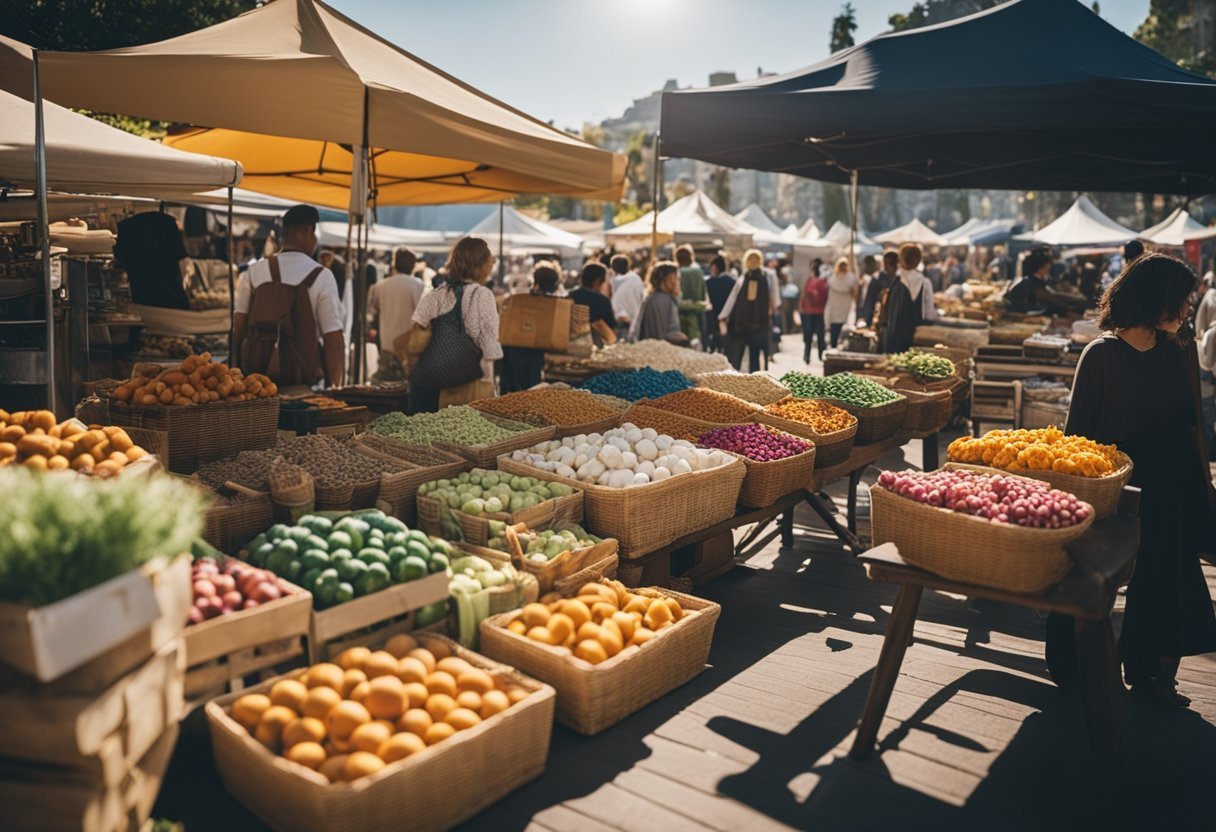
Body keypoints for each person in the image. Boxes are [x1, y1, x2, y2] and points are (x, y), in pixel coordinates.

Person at [1050, 252, 1216, 709]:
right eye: (1181, 301)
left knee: (1171, 579)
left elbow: (1192, 426)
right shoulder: (1100, 355)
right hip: (1115, 487)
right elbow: (1076, 438)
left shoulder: (1178, 348)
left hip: (1172, 482)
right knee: (1102, 578)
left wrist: (1202, 485)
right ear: (1153, 298)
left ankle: (1154, 675)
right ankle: (1082, 666)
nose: (1187, 310)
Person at [233, 204, 345, 388]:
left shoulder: (254, 272)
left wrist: (236, 372)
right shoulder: (321, 276)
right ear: (309, 230)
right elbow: (333, 340)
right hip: (303, 387)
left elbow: (239, 327)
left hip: (256, 386)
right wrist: (335, 387)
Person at [409, 237, 502, 412]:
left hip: (426, 385)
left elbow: (416, 337)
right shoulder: (482, 295)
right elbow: (488, 346)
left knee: (423, 436)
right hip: (463, 387)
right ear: (482, 265)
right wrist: (489, 387)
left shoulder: (435, 294)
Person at [365, 247, 424, 384]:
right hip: (410, 351)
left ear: (394, 263)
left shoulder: (380, 286)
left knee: (386, 390)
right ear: (413, 265)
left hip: (387, 349)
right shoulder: (418, 286)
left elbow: (370, 314)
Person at [501, 262, 561, 393]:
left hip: (515, 359)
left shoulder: (518, 300)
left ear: (535, 281)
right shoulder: (559, 306)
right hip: (544, 362)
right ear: (556, 285)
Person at [720, 249, 779, 372]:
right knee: (755, 355)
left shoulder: (742, 279)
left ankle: (736, 380)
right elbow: (775, 302)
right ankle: (754, 381)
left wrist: (723, 316)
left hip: (741, 324)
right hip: (760, 324)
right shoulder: (767, 277)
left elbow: (732, 299)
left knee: (737, 356)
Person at [879, 243, 938, 354]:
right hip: (916, 337)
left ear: (900, 259)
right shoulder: (925, 283)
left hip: (894, 338)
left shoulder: (895, 280)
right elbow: (930, 314)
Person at [632, 261, 687, 344]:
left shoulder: (650, 299)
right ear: (669, 280)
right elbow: (673, 333)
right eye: (677, 279)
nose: (679, 282)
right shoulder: (668, 301)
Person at [1006, 249, 1070, 315]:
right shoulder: (1032, 282)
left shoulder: (1031, 280)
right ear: (1039, 268)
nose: (1049, 269)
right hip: (1028, 314)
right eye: (1047, 268)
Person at [569, 261, 617, 347]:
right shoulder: (603, 301)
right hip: (595, 348)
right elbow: (610, 330)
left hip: (569, 345)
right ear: (597, 281)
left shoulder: (569, 297)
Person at [858, 249, 898, 328]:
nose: (886, 267)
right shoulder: (878, 278)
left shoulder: (900, 278)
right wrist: (867, 320)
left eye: (889, 264)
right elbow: (870, 300)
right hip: (882, 318)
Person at [825, 257, 860, 349]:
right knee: (842, 327)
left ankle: (834, 345)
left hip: (835, 306)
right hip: (844, 305)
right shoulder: (850, 277)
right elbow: (854, 292)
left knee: (835, 328)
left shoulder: (833, 278)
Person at [674, 245, 706, 343]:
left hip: (677, 319)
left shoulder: (675, 272)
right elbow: (702, 296)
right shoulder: (698, 272)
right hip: (695, 319)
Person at [704, 255, 735, 354]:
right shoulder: (732, 282)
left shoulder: (708, 282)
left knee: (713, 341)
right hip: (727, 316)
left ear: (715, 267)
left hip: (713, 315)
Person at [610, 254, 645, 340]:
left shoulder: (612, 281)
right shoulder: (636, 279)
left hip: (618, 321)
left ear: (613, 267)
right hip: (635, 320)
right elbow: (642, 297)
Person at [800, 263, 828, 363]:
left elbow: (804, 295)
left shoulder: (817, 281)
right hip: (815, 312)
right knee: (815, 336)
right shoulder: (821, 282)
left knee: (812, 336)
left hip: (814, 312)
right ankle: (810, 356)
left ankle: (813, 356)